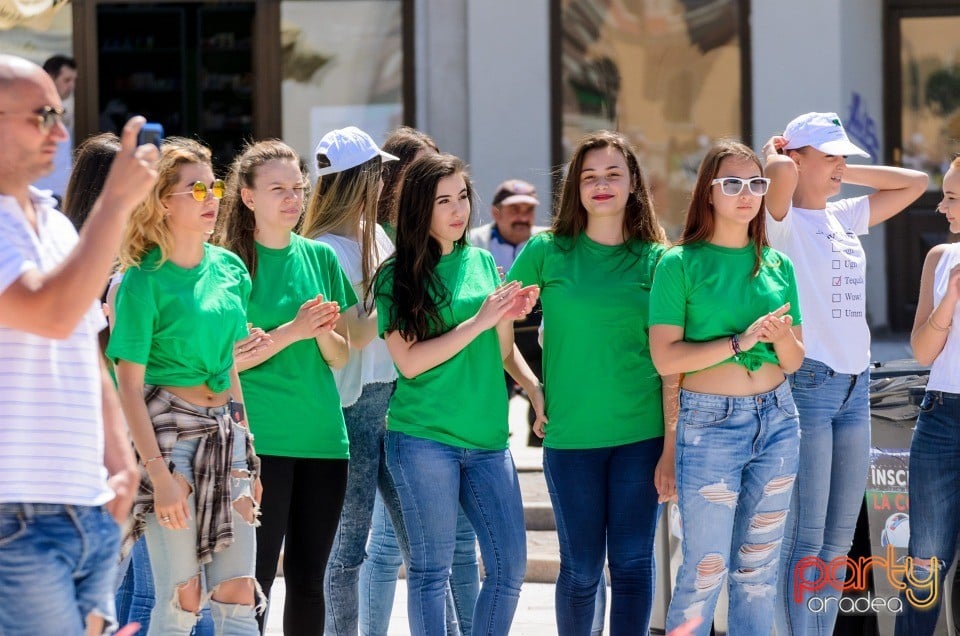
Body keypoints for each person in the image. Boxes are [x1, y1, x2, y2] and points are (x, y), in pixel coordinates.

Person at [0, 54, 156, 634]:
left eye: (58, 114)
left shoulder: (58, 224)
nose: (60, 132)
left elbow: (86, 352)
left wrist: (121, 472)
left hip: (83, 508)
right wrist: (115, 206)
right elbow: (51, 310)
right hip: (15, 516)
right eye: (41, 116)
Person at [762, 112, 927, 635]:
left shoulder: (843, 215)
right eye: (828, 153)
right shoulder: (779, 218)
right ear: (795, 158)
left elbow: (915, 183)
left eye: (843, 154)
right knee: (804, 536)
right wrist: (781, 158)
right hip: (809, 382)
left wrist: (838, 170)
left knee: (836, 539)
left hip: (855, 387)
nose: (840, 164)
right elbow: (778, 175)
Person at [506, 130, 673, 635]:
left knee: (631, 564)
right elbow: (496, 329)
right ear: (576, 188)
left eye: (612, 174)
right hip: (570, 435)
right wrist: (533, 389)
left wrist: (671, 445)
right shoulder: (545, 251)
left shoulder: (660, 259)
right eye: (589, 176)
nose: (601, 185)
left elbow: (674, 365)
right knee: (579, 570)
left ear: (633, 184)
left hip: (641, 439)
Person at [374, 152, 541, 635]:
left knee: (509, 569)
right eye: (443, 200)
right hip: (423, 437)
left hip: (488, 439)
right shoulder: (395, 275)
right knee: (431, 572)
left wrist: (511, 324)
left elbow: (502, 350)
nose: (457, 210)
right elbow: (410, 362)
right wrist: (481, 318)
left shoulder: (484, 262)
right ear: (419, 209)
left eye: (463, 197)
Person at [649, 140, 805, 636]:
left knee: (759, 572)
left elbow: (796, 360)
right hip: (709, 424)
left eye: (757, 184)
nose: (747, 194)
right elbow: (665, 357)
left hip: (779, 420)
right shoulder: (679, 264)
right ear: (708, 193)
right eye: (732, 184)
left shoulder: (778, 266)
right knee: (704, 569)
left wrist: (780, 340)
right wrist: (740, 341)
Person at [108, 137, 263, 634]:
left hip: (227, 439)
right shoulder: (141, 281)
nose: (212, 198)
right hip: (168, 445)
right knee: (183, 600)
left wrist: (249, 449)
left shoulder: (230, 269)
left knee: (238, 590)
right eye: (195, 189)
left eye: (213, 185)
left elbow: (229, 366)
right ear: (160, 201)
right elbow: (128, 386)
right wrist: (158, 475)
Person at [216, 138, 354, 634]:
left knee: (309, 580)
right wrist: (294, 330)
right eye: (279, 189)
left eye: (298, 187)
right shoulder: (225, 263)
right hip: (257, 443)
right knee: (253, 580)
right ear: (248, 196)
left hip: (323, 439)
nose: (293, 199)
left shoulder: (320, 257)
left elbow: (341, 355)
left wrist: (320, 336)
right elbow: (228, 361)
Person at [358, 126, 481, 636]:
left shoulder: (456, 246)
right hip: (396, 403)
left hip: (447, 406)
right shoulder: (385, 246)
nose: (443, 196)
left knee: (457, 542)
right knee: (391, 545)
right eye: (424, 178)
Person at [298, 126, 406, 635]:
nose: (385, 180)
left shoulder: (375, 234)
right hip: (351, 405)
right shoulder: (320, 248)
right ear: (359, 178)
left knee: (425, 542)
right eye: (378, 170)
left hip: (395, 396)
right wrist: (397, 284)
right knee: (347, 550)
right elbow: (356, 334)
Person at [893, 157, 960, 634]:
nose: (941, 207)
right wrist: (950, 299)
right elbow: (922, 351)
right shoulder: (940, 259)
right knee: (925, 560)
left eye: (953, 197)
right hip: (941, 416)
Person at [472, 179, 549, 448]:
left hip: (537, 342)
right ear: (496, 213)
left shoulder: (546, 241)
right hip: (493, 338)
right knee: (490, 402)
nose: (522, 217)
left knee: (547, 398)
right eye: (514, 209)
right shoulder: (474, 243)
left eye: (527, 210)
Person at [377, 125, 439, 241]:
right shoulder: (377, 239)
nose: (433, 180)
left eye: (438, 170)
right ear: (392, 178)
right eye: (422, 172)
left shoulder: (450, 233)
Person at [33, 54, 77, 201]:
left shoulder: (56, 110)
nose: (72, 86)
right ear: (49, 77)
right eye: (66, 80)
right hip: (42, 196)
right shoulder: (37, 111)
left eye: (74, 80)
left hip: (57, 198)